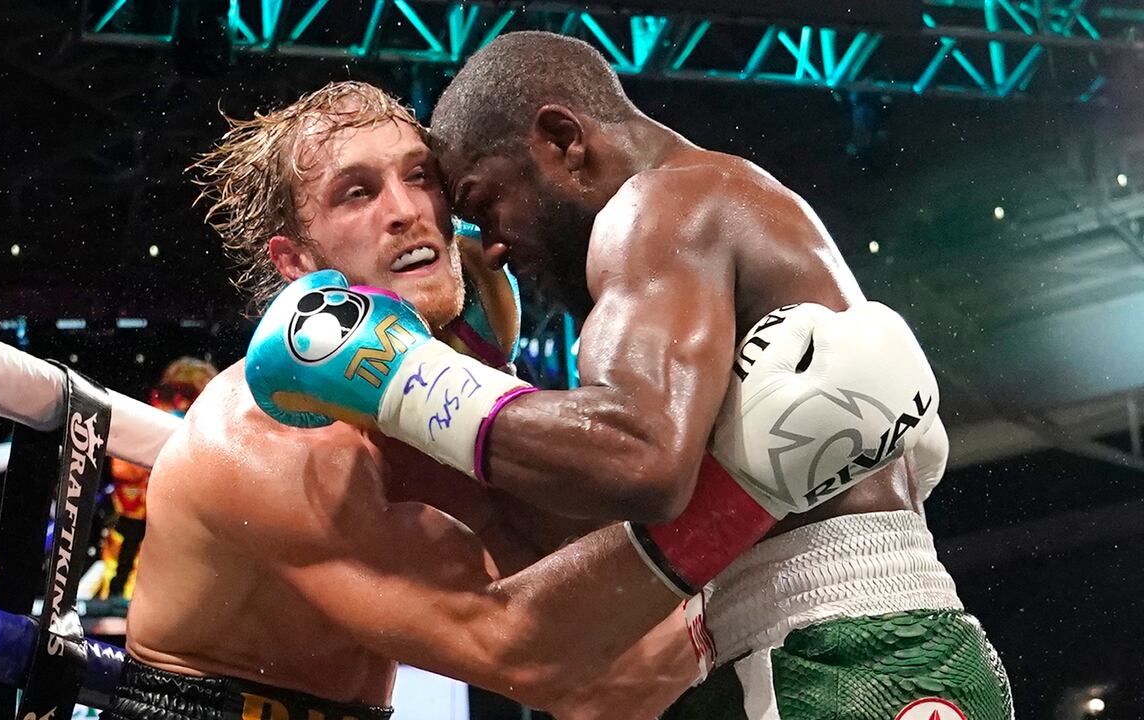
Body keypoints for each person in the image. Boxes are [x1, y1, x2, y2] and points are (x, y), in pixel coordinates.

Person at [113, 81, 936, 719]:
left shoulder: (459, 357)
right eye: (356, 194)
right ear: (296, 265)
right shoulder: (262, 444)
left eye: (419, 178)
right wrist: (768, 472)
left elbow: (596, 646)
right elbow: (518, 653)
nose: (406, 212)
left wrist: (829, 491)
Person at [96, 356, 218, 602]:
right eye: (177, 393)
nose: (181, 402)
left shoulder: (215, 434)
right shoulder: (142, 423)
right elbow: (122, 472)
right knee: (121, 588)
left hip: (186, 537)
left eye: (191, 396)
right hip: (134, 528)